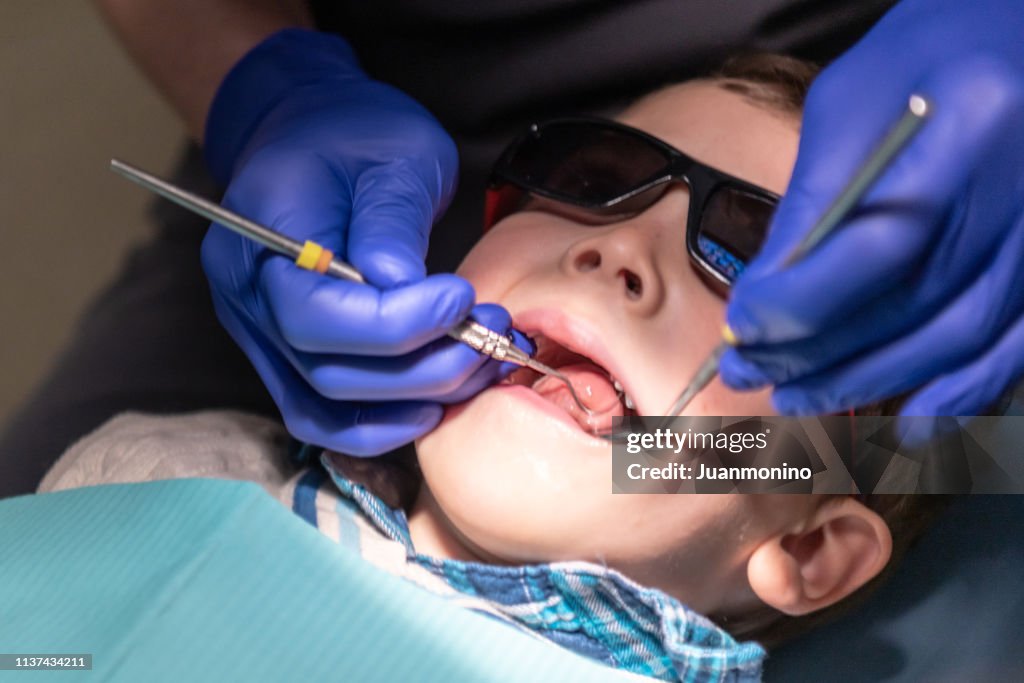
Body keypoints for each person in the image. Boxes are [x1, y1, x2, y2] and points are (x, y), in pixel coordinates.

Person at [38, 57, 950, 681]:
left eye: (754, 268)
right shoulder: (151, 475)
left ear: (810, 548)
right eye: (595, 181)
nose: (622, 249)